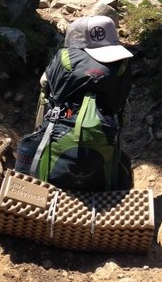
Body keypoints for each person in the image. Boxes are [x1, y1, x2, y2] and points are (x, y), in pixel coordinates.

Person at [17, 15, 134, 191]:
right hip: (104, 132)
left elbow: (46, 88)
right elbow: (118, 104)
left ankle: (26, 192)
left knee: (28, 147)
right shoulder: (122, 63)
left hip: (61, 122)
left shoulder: (63, 57)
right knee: (122, 162)